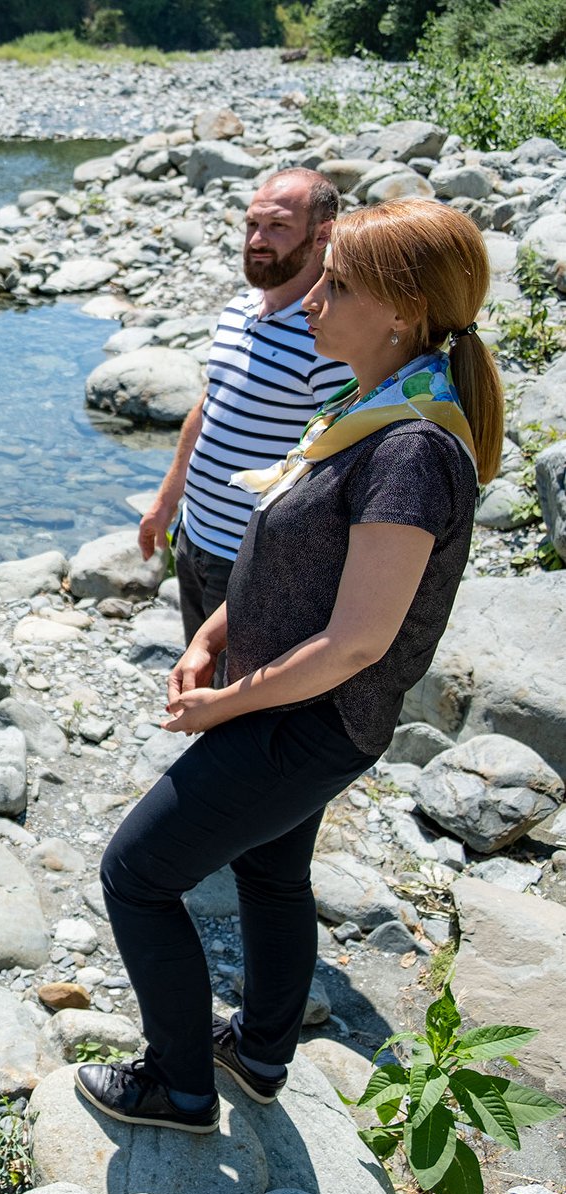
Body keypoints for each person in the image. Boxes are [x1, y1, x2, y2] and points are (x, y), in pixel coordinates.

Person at [82, 198, 504, 1132]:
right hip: (287, 704)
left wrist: (227, 704)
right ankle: (263, 1052)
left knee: (136, 875)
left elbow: (356, 641)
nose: (312, 298)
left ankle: (179, 1085)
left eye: (337, 285)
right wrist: (212, 633)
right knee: (271, 873)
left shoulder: (412, 449)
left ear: (402, 312)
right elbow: (291, 557)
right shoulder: (366, 403)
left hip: (311, 721)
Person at [137, 168, 353, 648]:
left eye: (277, 227)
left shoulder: (330, 336)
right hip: (195, 537)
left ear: (323, 235)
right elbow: (209, 407)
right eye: (253, 224)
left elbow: (339, 467)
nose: (257, 240)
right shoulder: (238, 310)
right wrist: (167, 501)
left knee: (228, 687)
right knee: (196, 674)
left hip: (253, 560)